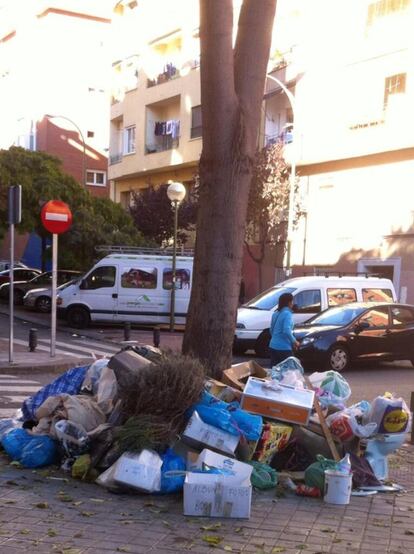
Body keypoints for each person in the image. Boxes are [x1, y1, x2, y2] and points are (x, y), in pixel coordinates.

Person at [269, 292, 299, 367]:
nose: (293, 303)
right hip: (284, 348)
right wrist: (294, 341)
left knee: (275, 370)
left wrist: (275, 339)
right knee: (289, 372)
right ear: (289, 302)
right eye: (292, 301)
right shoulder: (287, 314)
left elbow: (271, 330)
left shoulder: (275, 313)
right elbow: (286, 330)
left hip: (273, 345)